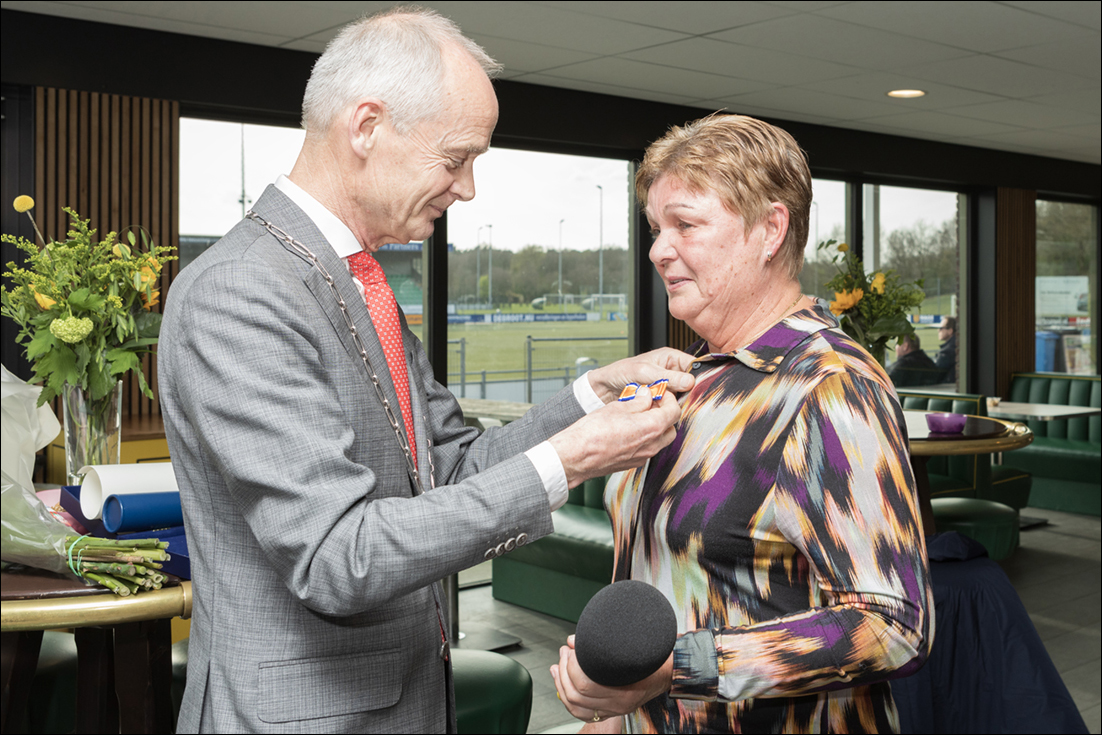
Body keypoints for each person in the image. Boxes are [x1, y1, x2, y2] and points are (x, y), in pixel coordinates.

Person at [158, 8, 692, 733]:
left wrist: (586, 400)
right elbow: (337, 556)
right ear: (367, 127)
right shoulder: (240, 291)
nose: (467, 187)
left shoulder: (362, 282)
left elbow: (452, 463)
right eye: (455, 157)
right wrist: (569, 459)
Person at [551, 114, 933, 734]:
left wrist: (680, 667)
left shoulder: (829, 385)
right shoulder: (693, 378)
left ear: (769, 230)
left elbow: (892, 626)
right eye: (655, 228)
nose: (657, 249)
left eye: (686, 224)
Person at [935, 316, 957, 383]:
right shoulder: (958, 345)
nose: (938, 330)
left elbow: (935, 376)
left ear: (950, 331)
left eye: (941, 328)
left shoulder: (946, 352)